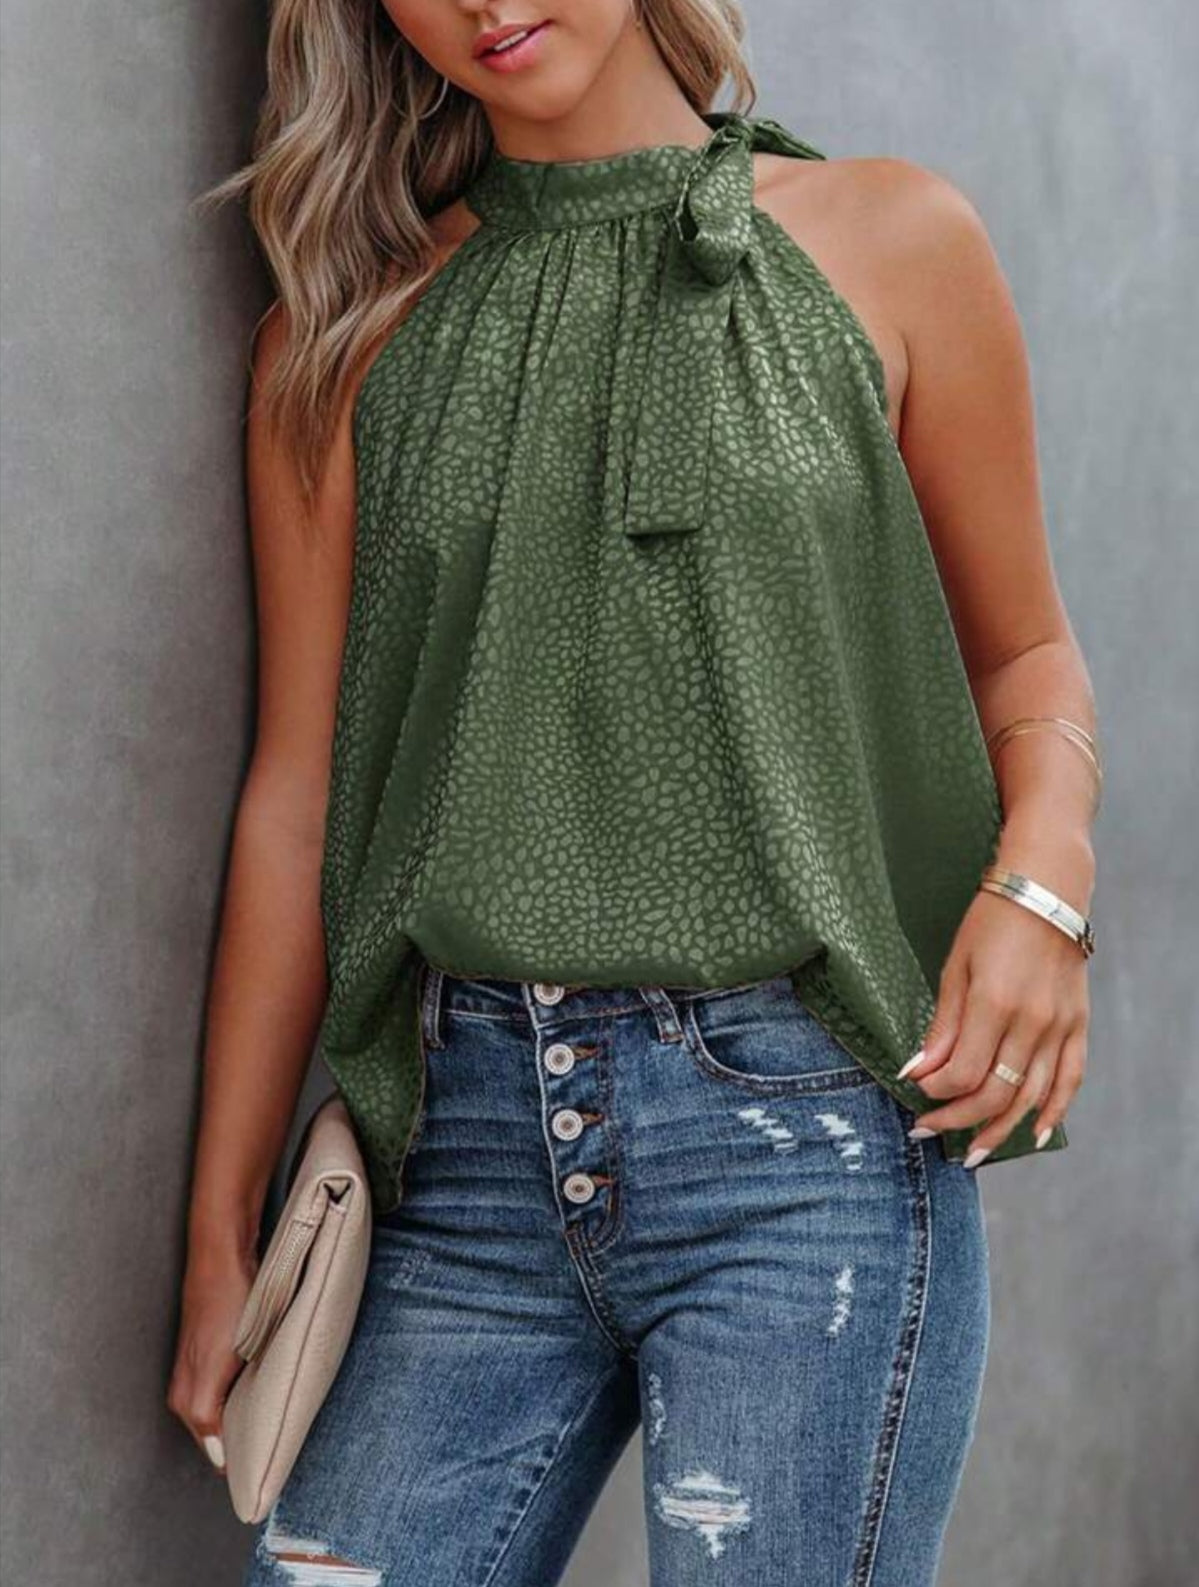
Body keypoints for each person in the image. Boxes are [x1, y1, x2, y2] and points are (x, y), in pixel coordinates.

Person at [167, 3, 1101, 1582]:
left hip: (805, 1153)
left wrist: (1044, 888)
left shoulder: (893, 242)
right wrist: (218, 1231)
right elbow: (297, 799)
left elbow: (1027, 658)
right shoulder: (345, 341)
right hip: (457, 1172)